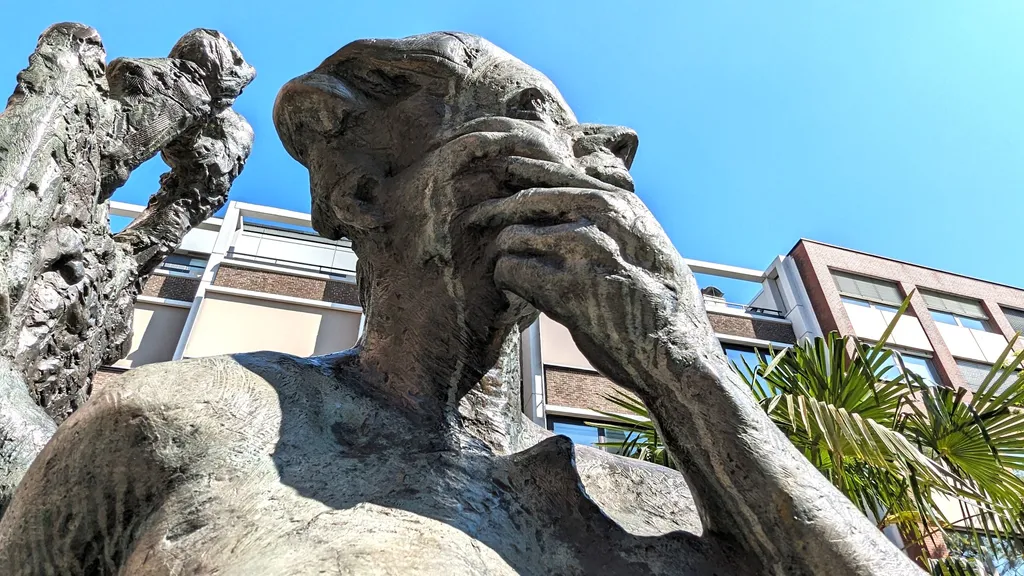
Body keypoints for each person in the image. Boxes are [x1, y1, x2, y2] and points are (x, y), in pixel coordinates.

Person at [0, 32, 922, 575]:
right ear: (358, 193)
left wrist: (692, 375)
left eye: (595, 161)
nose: (589, 183)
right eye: (519, 140)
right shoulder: (178, 421)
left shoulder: (666, 502)